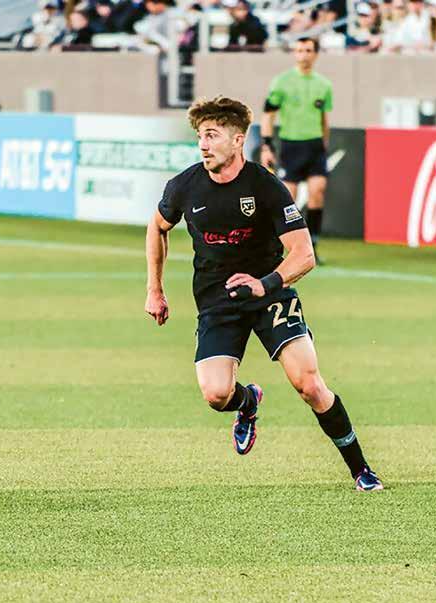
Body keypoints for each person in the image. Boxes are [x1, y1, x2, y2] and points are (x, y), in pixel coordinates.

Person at [144, 95, 383, 492]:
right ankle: (248, 401)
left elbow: (304, 255)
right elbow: (157, 226)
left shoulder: (266, 187)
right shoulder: (184, 186)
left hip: (271, 294)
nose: (203, 144)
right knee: (216, 394)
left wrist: (265, 284)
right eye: (200, 136)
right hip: (218, 301)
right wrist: (155, 289)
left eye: (212, 135)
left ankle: (361, 470)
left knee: (309, 385)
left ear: (238, 140)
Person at [260, 37, 332, 264]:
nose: (303, 55)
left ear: (316, 54)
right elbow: (268, 115)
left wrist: (325, 143)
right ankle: (277, 247)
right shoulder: (281, 82)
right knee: (287, 198)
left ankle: (313, 246)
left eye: (308, 50)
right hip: (291, 145)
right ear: (294, 53)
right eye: (299, 50)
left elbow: (324, 118)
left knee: (317, 191)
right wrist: (267, 145)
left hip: (315, 145)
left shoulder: (324, 85)